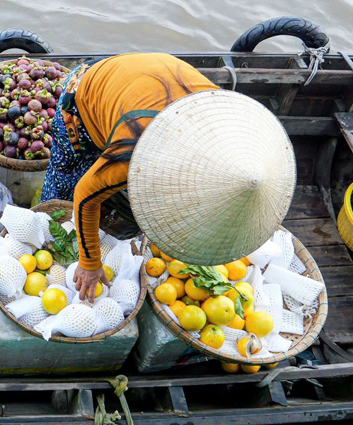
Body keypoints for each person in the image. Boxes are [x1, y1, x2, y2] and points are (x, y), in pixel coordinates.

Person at [40, 53, 295, 302]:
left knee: (105, 174)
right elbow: (85, 194)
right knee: (67, 175)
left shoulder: (227, 126)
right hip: (87, 91)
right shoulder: (135, 151)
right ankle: (45, 219)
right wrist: (89, 262)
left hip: (145, 79)